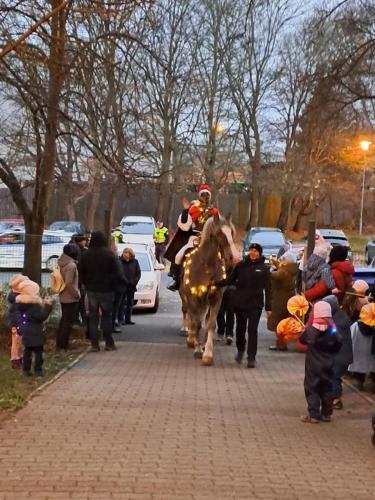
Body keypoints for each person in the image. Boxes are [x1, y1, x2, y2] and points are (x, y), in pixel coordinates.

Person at [216, 243, 271, 368]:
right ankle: (241, 350)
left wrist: (269, 307)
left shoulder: (264, 268)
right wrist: (216, 283)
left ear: (260, 253)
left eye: (256, 251)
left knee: (252, 330)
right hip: (240, 303)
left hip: (255, 304)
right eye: (251, 250)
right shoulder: (241, 266)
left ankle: (251, 357)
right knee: (240, 330)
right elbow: (230, 280)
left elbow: (268, 289)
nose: (253, 253)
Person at [165, 184, 218, 291]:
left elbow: (218, 225)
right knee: (179, 256)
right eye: (203, 195)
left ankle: (221, 280)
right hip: (194, 238)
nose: (205, 198)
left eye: (207, 195)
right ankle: (177, 279)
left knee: (221, 257)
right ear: (199, 196)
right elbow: (185, 225)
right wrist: (185, 210)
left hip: (209, 239)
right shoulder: (194, 208)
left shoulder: (213, 211)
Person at [78, 231, 122, 352]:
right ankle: (108, 342)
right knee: (107, 316)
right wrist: (113, 285)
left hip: (91, 290)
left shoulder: (86, 254)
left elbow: (80, 272)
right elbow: (117, 272)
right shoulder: (109, 255)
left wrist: (86, 284)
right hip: (106, 290)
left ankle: (94, 344)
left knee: (93, 317)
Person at [299, 301, 342, 423]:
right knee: (327, 388)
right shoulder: (333, 330)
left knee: (311, 388)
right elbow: (338, 343)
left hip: (313, 366)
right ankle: (326, 413)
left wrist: (305, 330)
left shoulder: (311, 330)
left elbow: (302, 340)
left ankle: (313, 414)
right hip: (329, 364)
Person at [9, 278, 53, 377]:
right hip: (35, 331)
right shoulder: (33, 305)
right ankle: (38, 370)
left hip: (26, 330)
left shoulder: (21, 303)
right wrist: (48, 307)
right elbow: (41, 317)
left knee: (27, 351)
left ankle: (26, 370)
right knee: (38, 352)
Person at [322, 295, 353, 410]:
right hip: (343, 355)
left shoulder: (337, 321)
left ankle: (336, 400)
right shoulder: (341, 315)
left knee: (333, 377)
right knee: (335, 377)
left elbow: (333, 338)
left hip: (339, 356)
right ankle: (333, 397)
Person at [267, 251, 298, 351]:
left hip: (280, 300)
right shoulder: (292, 269)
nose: (281, 261)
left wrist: (267, 271)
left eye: (282, 260)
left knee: (279, 323)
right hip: (288, 299)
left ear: (286, 261)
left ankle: (281, 344)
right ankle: (282, 343)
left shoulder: (284, 271)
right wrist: (276, 263)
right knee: (285, 322)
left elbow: (276, 275)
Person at [56, 243, 81, 351]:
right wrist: (76, 294)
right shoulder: (71, 265)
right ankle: (63, 345)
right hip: (70, 297)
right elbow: (69, 283)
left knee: (64, 320)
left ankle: (61, 343)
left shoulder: (62, 263)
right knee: (67, 322)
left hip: (63, 295)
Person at [348, 303, 375, 390]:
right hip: (371, 354)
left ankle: (359, 381)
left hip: (359, 353)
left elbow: (350, 339)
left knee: (359, 365)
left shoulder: (355, 326)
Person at [8, 274, 29, 369]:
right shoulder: (17, 299)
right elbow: (16, 314)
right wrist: (19, 326)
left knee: (20, 342)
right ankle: (15, 359)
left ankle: (20, 358)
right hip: (17, 325)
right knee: (16, 342)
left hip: (21, 323)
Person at [118, 247, 141, 325]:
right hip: (122, 285)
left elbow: (138, 273)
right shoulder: (119, 261)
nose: (125, 254)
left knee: (130, 303)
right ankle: (121, 319)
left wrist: (135, 281)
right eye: (124, 252)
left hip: (131, 286)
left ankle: (128, 319)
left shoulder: (135, 262)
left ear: (130, 254)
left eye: (127, 253)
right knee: (121, 303)